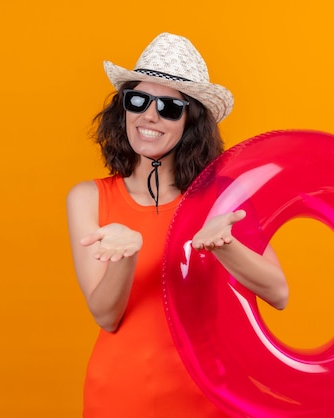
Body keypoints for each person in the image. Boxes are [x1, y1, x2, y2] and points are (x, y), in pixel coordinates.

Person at [66, 32, 289, 417]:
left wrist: (226, 246)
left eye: (169, 108)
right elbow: (106, 315)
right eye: (137, 101)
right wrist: (126, 254)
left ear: (191, 121)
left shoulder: (222, 199)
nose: (149, 116)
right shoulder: (87, 198)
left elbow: (279, 293)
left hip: (208, 401)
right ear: (123, 110)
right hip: (119, 399)